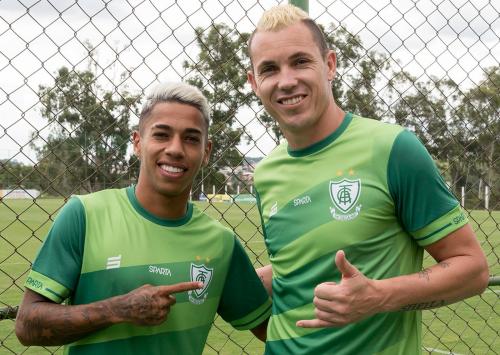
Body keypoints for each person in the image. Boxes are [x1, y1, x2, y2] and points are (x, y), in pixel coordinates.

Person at [246, 4, 489, 355]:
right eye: (269, 69)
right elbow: (299, 265)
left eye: (300, 61)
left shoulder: (393, 149)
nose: (286, 80)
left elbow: (472, 270)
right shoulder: (266, 173)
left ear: (329, 65)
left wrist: (378, 297)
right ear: (254, 82)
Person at [15, 82, 271, 354]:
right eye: (162, 135)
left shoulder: (222, 244)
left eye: (191, 138)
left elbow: (269, 327)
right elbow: (26, 326)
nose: (175, 149)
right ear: (138, 142)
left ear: (206, 152)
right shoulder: (84, 215)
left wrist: (296, 272)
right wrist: (117, 309)